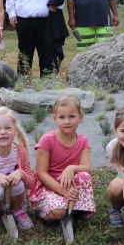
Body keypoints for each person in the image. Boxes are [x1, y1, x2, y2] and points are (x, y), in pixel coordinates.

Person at [29, 95, 95, 223]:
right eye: (61, 117)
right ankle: (49, 208)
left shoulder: (83, 140)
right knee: (58, 212)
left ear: (80, 117)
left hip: (71, 185)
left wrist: (71, 168)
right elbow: (41, 173)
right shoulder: (47, 140)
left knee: (84, 176)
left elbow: (86, 167)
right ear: (55, 119)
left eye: (72, 116)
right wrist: (63, 191)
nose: (67, 121)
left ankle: (72, 208)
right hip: (50, 186)